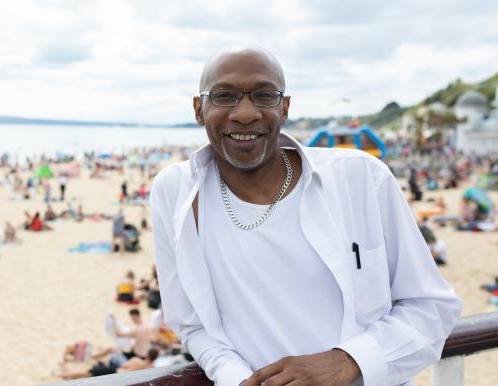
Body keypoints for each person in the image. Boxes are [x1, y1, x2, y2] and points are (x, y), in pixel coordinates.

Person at [150, 47, 462, 386]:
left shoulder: (361, 179)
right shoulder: (176, 193)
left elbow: (431, 308)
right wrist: (238, 379)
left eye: (264, 95)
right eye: (224, 96)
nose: (244, 113)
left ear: (284, 109)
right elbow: (190, 323)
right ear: (199, 109)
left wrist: (348, 362)